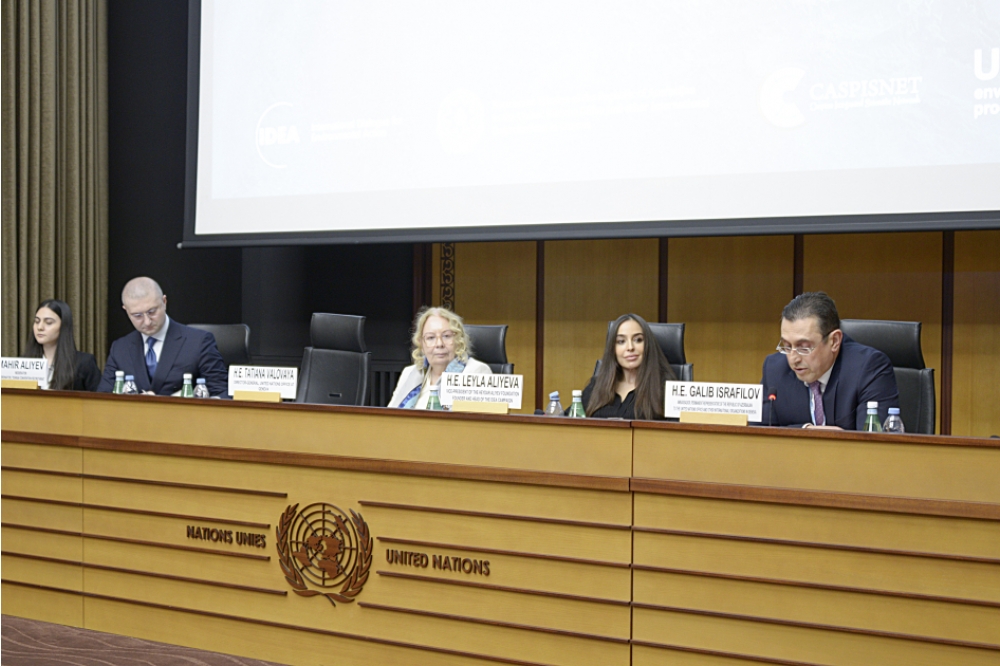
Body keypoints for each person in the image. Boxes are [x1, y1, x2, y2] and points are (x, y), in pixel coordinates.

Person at [760, 291, 899, 430]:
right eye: (787, 346)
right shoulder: (774, 370)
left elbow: (872, 438)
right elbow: (759, 432)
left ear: (834, 341)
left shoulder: (869, 368)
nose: (793, 358)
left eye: (804, 347)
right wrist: (807, 430)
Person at [97, 277, 229, 396]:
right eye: (137, 315)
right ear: (126, 310)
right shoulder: (120, 348)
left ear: (164, 301)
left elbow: (222, 393)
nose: (147, 322)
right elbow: (103, 398)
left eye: (152, 312)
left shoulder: (198, 342)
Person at [390, 307, 491, 409]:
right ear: (421, 344)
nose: (439, 344)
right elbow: (390, 414)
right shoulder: (410, 373)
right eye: (431, 337)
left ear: (458, 340)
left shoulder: (477, 371)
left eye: (446, 336)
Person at [582, 314, 677, 420]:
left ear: (648, 345)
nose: (630, 347)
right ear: (613, 349)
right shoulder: (596, 386)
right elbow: (570, 420)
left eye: (638, 340)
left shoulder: (666, 388)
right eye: (621, 341)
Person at [24, 299, 100, 391]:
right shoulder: (24, 363)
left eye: (48, 322)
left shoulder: (84, 363)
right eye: (36, 321)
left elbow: (99, 397)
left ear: (64, 326)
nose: (40, 327)